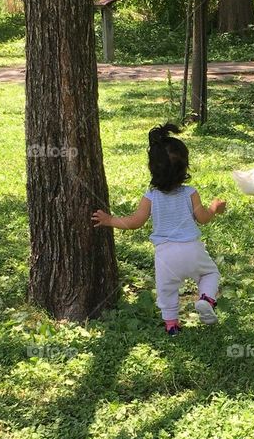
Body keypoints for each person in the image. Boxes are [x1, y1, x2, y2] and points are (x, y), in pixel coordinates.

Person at [92, 123, 226, 336]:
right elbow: (203, 219)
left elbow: (135, 221)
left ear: (152, 168)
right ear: (185, 169)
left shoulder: (151, 197)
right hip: (192, 249)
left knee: (167, 290)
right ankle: (206, 299)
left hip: (165, 254)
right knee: (210, 273)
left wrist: (109, 220)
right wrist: (214, 208)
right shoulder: (190, 193)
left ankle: (172, 325)